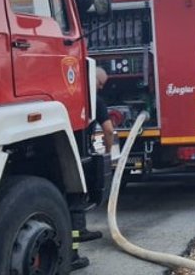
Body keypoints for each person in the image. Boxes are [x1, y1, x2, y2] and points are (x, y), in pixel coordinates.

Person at [71, 67, 115, 270]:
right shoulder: (95, 100)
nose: (101, 88)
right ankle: (73, 253)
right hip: (78, 154)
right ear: (92, 79)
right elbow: (108, 129)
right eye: (100, 83)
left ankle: (78, 235)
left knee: (71, 200)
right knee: (76, 199)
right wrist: (108, 152)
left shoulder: (72, 93)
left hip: (64, 151)